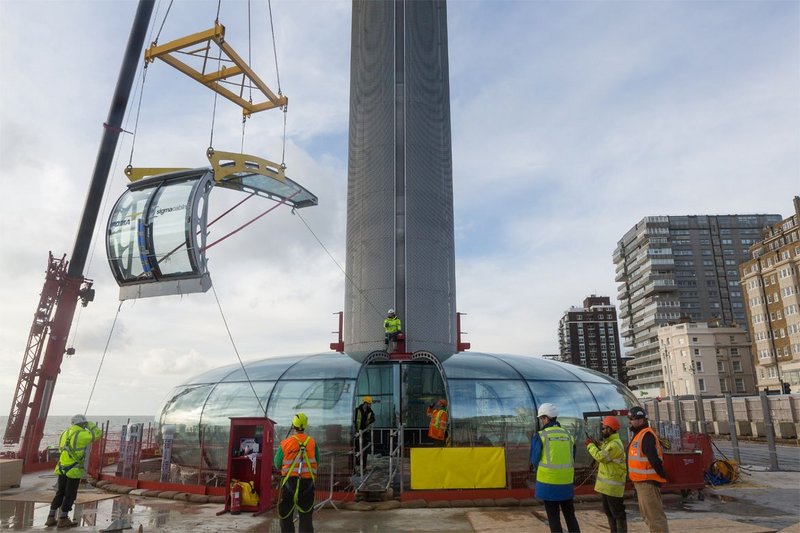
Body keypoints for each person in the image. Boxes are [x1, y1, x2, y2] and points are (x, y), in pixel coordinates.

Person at [46, 414, 103, 528]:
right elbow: (98, 434)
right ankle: (63, 518)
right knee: (70, 494)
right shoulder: (81, 434)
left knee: (60, 492)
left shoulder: (64, 433)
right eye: (84, 424)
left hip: (62, 467)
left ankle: (51, 517)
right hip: (73, 469)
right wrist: (90, 424)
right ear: (82, 424)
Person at [530, 403, 580, 533]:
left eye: (542, 418)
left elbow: (534, 460)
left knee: (554, 518)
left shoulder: (541, 436)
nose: (541, 421)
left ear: (546, 418)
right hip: (566, 483)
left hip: (549, 484)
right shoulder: (568, 435)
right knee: (570, 516)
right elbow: (572, 456)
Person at [275, 413, 319, 533]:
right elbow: (317, 460)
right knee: (306, 516)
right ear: (305, 426)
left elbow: (277, 463)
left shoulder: (285, 443)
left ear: (293, 426)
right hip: (308, 483)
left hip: (289, 483)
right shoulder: (312, 442)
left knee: (285, 514)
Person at [627, 406, 669, 533]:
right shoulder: (639, 435)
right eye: (631, 419)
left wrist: (662, 475)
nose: (632, 421)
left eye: (635, 419)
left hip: (648, 482)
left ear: (642, 420)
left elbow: (654, 460)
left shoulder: (646, 436)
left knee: (655, 518)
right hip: (641, 482)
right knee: (648, 517)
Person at [585, 416, 627, 532]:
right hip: (607, 487)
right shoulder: (609, 443)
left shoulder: (614, 445)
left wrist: (590, 445)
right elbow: (603, 451)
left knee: (617, 513)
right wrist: (596, 444)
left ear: (610, 429)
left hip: (613, 487)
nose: (602, 430)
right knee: (609, 513)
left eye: (603, 428)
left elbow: (601, 457)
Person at [354, 396, 376, 472]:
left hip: (365, 433)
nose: (370, 405)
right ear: (365, 403)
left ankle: (363, 467)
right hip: (357, 432)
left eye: (370, 404)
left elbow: (373, 419)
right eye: (369, 403)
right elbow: (354, 420)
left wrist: (369, 422)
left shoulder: (370, 411)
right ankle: (357, 465)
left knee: (364, 450)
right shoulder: (357, 410)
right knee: (357, 449)